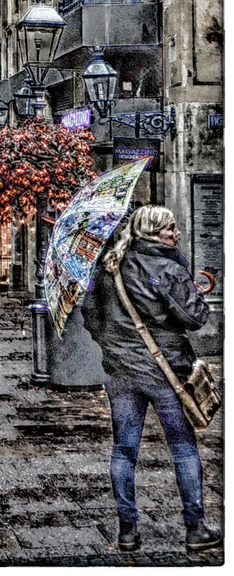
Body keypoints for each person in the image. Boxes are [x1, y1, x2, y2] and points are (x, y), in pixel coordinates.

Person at [82, 205, 222, 555]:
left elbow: (90, 312)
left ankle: (127, 532)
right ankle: (195, 528)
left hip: (121, 372)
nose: (175, 234)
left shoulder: (110, 265)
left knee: (124, 450)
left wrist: (113, 346)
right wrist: (196, 293)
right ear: (152, 232)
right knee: (183, 448)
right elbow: (194, 319)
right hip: (166, 373)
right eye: (170, 229)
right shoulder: (169, 267)